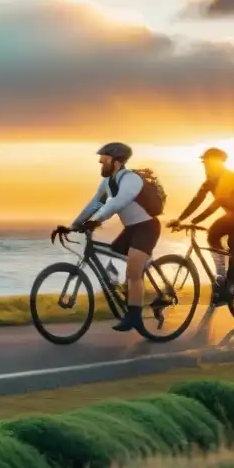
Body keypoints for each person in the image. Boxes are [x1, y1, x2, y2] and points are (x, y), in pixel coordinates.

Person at [65, 142, 161, 333]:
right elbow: (94, 204)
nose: (101, 163)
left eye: (104, 160)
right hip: (130, 229)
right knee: (115, 252)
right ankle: (132, 284)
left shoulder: (131, 179)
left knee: (133, 274)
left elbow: (118, 202)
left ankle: (135, 318)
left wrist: (97, 221)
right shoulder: (107, 182)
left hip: (146, 228)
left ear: (116, 161)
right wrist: (74, 225)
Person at [167, 147, 234, 304]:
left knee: (233, 241)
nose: (205, 166)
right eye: (204, 163)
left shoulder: (230, 178)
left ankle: (231, 286)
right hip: (230, 217)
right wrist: (180, 219)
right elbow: (197, 200)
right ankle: (221, 277)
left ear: (217, 163)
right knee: (212, 236)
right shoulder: (209, 182)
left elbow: (217, 203)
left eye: (207, 162)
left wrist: (195, 221)